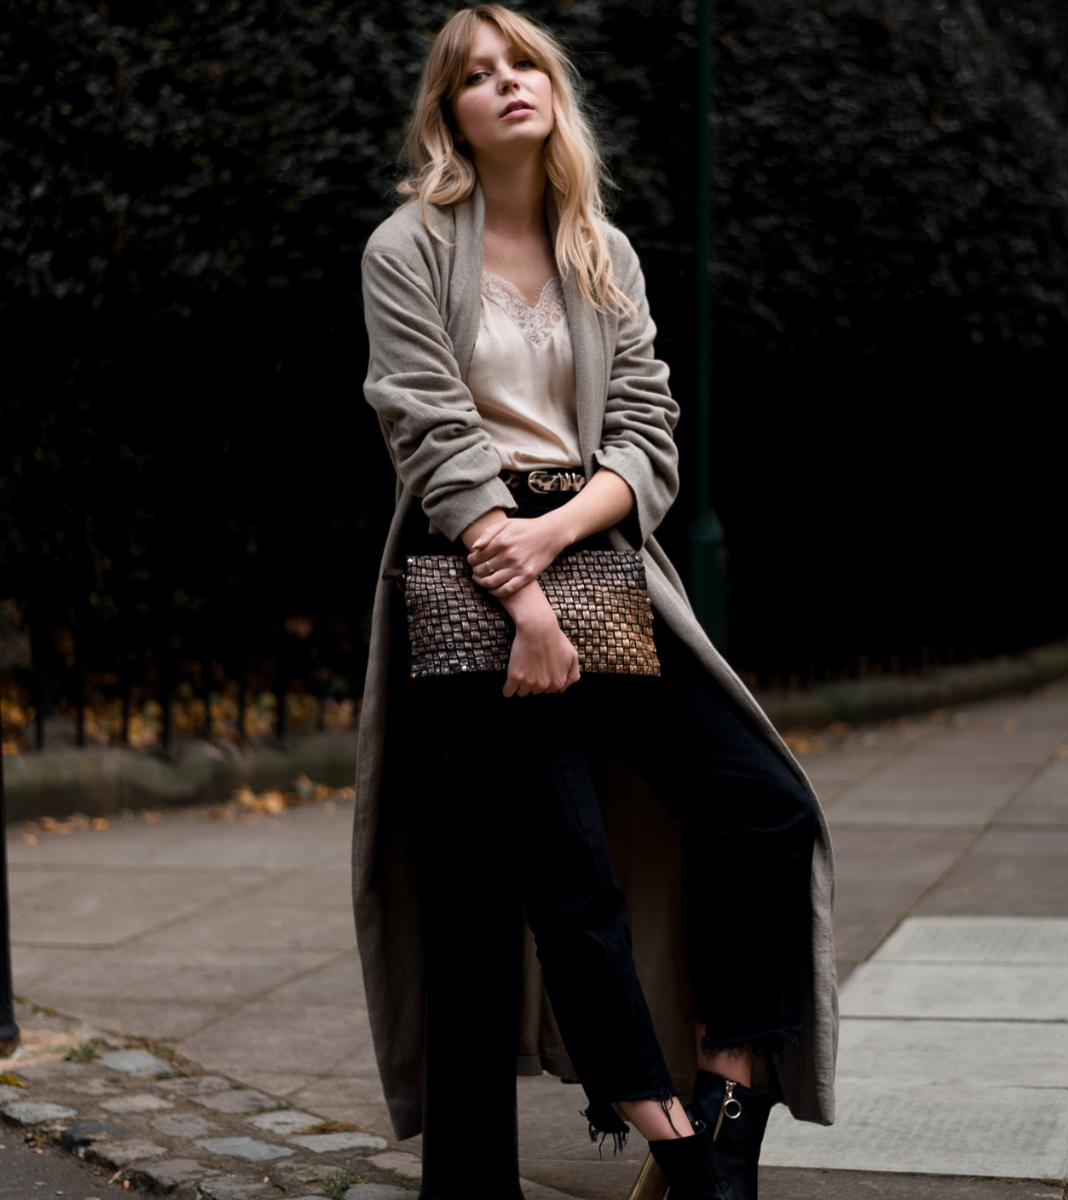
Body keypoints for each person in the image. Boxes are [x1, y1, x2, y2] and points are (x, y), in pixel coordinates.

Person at [351, 7, 838, 1199]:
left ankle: (728, 1100)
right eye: (477, 74)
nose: (507, 83)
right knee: (566, 867)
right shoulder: (406, 249)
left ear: (553, 91)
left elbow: (649, 430)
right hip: (474, 571)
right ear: (448, 114)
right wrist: (520, 589)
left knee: (766, 807)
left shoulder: (599, 250)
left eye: (524, 63)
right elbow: (427, 423)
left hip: (595, 548)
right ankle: (672, 1140)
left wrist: (565, 535)